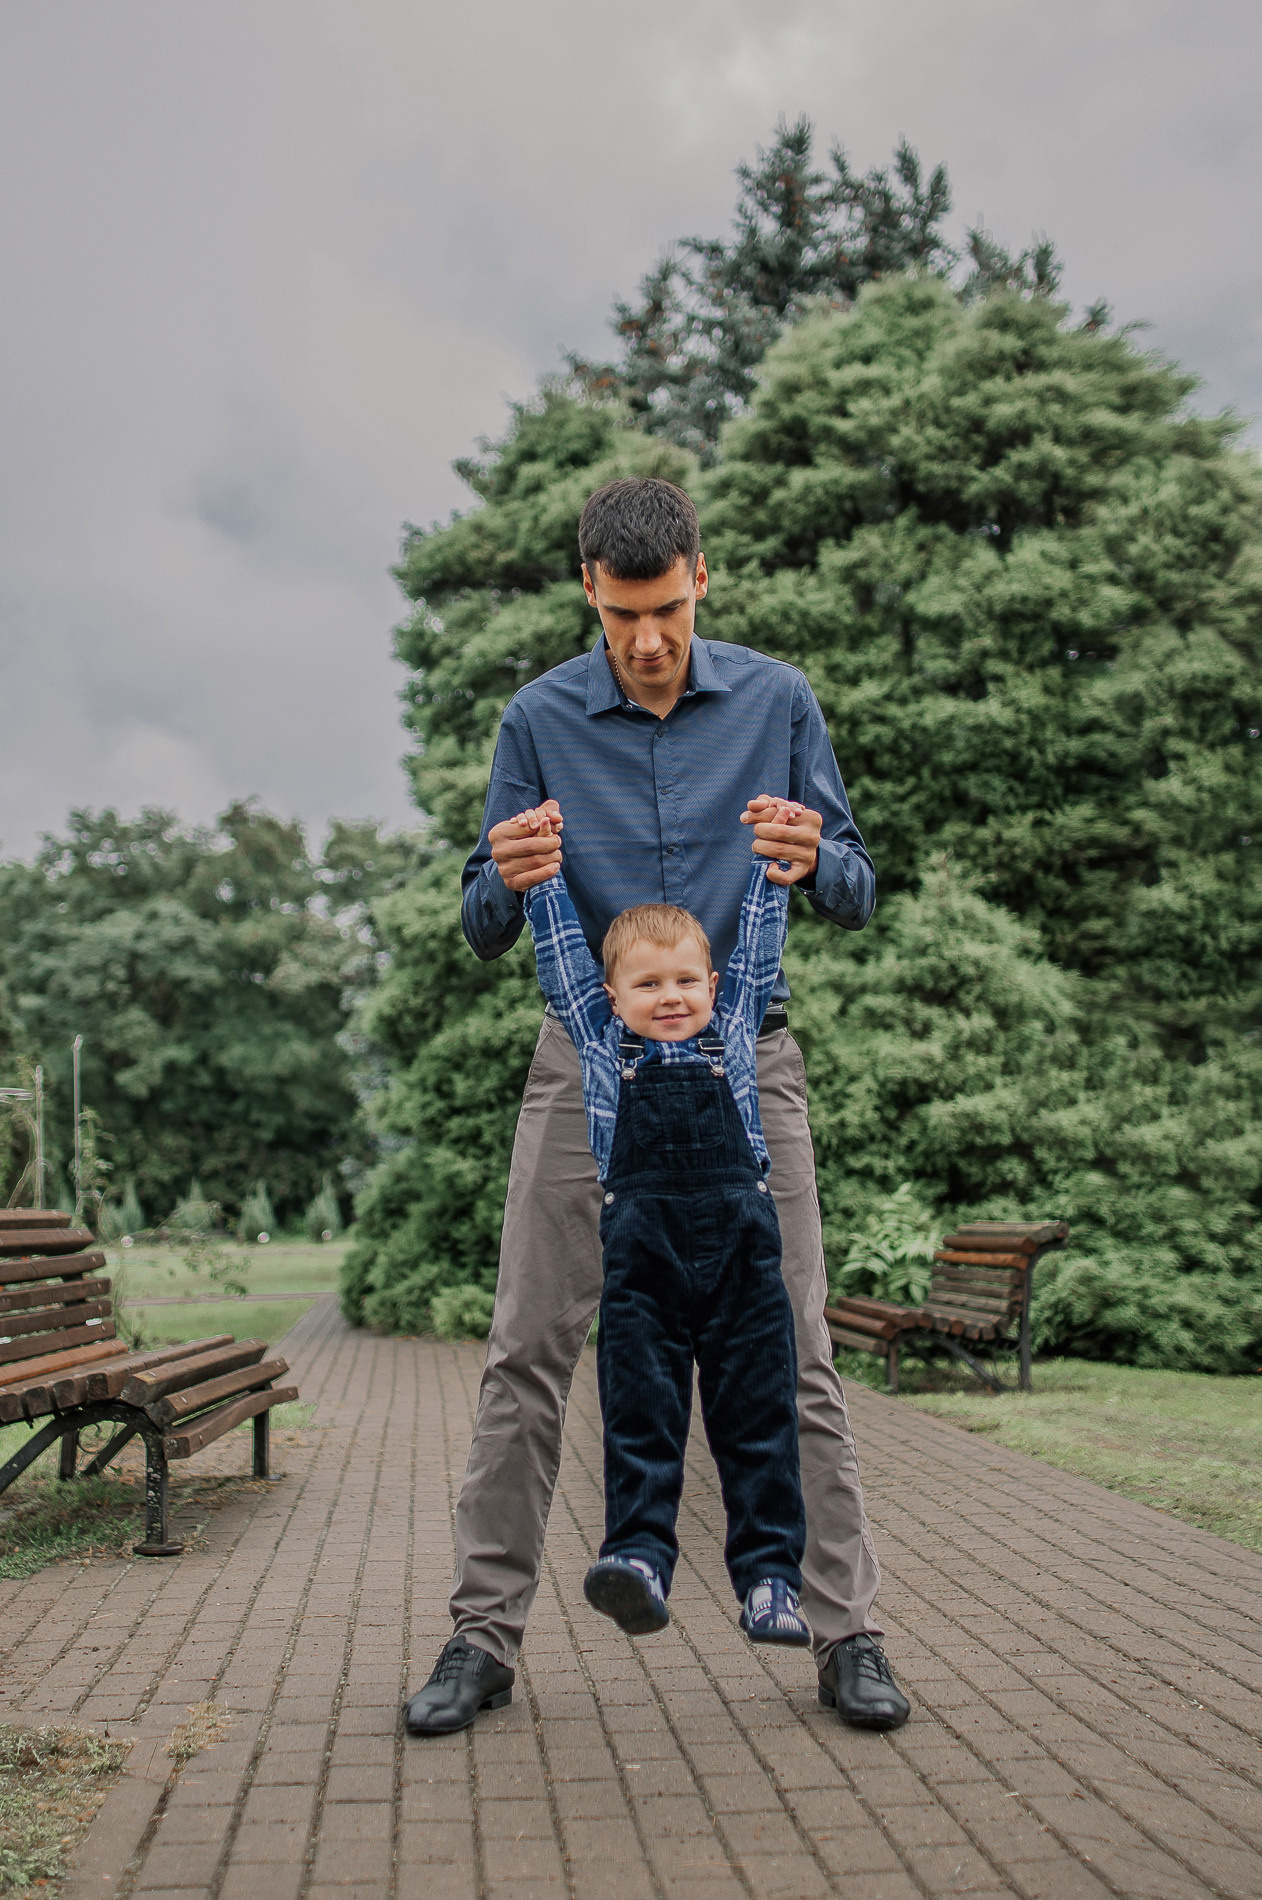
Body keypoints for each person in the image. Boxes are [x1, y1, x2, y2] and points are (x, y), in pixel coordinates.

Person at [404, 477, 910, 1738]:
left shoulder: (779, 700)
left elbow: (851, 880)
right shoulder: (534, 719)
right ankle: (482, 1635)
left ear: (701, 577)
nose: (647, 641)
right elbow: (478, 915)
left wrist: (814, 856)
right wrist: (506, 879)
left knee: (794, 1352)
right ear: (589, 587)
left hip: (749, 1073)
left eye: (669, 612)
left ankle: (847, 1636)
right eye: (625, 614)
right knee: (527, 1349)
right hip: (585, 1071)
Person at [521, 804, 811, 1646]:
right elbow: (562, 955)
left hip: (742, 1259)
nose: (671, 996)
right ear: (613, 997)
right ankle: (638, 1559)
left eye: (685, 980)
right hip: (642, 1261)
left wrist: (770, 861)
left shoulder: (734, 1027)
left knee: (758, 1416)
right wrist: (541, 873)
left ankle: (770, 1582)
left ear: (712, 987)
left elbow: (757, 940)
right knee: (640, 1412)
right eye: (648, 985)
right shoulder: (603, 1044)